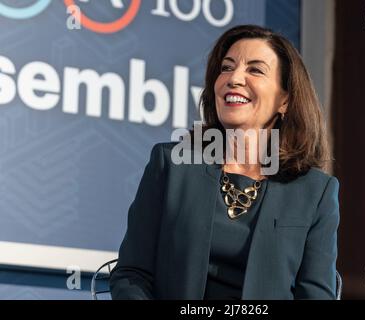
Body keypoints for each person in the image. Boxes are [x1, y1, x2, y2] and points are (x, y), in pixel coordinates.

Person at [109, 24, 340, 300]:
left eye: (255, 70)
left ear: (285, 100)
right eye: (227, 67)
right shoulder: (171, 165)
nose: (234, 78)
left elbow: (315, 295)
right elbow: (132, 275)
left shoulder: (315, 191)